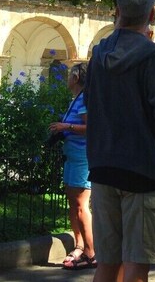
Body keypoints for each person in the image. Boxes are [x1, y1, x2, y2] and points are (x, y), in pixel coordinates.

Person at [85, 0, 155, 282]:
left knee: (107, 262)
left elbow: (91, 103)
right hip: (143, 169)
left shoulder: (98, 55)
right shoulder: (154, 56)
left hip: (103, 166)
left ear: (116, 10)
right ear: (152, 14)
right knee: (137, 263)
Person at [48, 62, 95, 270]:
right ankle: (79, 245)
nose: (67, 78)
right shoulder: (76, 98)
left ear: (76, 78)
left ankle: (91, 252)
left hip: (81, 157)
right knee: (73, 204)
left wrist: (65, 126)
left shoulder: (84, 98)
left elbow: (91, 127)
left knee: (81, 205)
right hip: (72, 155)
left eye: (69, 75)